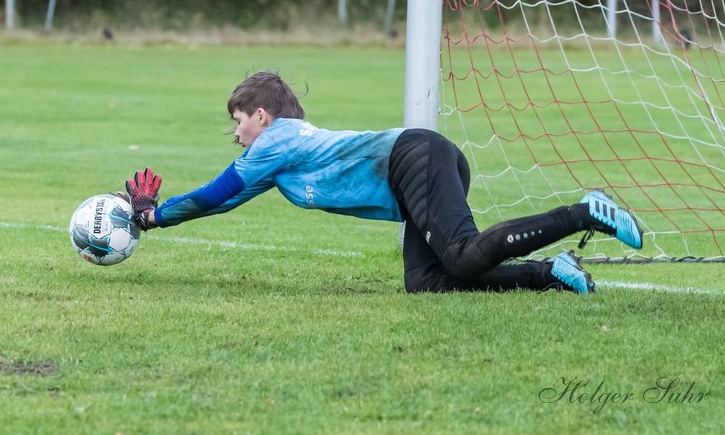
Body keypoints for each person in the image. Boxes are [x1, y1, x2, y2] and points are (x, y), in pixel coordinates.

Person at [121, 71, 643, 294]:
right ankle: (552, 273)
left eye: (238, 121)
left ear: (261, 115)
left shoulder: (275, 141)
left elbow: (214, 192)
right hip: (417, 167)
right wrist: (160, 215)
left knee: (460, 255)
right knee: (428, 281)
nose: (236, 133)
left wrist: (152, 215)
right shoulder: (277, 160)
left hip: (412, 158)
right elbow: (225, 204)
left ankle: (585, 211)